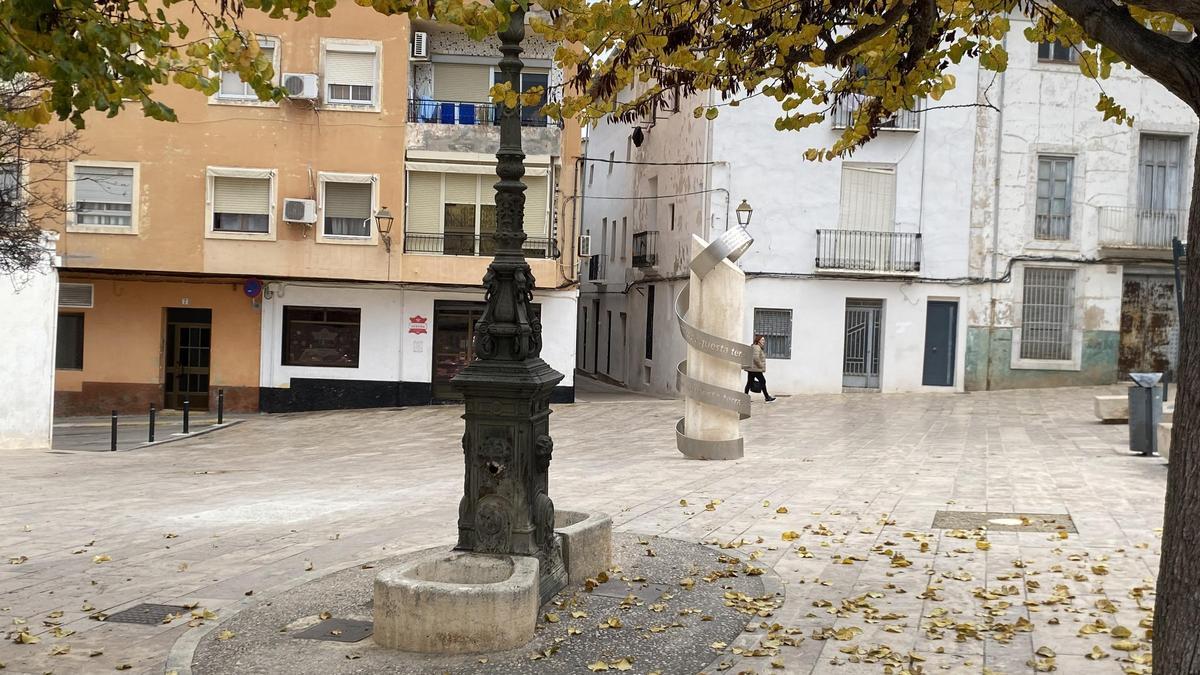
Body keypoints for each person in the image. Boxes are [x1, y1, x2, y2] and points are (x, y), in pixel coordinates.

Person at [744, 335, 776, 402]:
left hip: (752, 369)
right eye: (762, 340)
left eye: (764, 340)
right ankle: (767, 397)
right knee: (763, 381)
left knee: (749, 383)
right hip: (756, 369)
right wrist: (760, 366)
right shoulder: (757, 347)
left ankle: (745, 398)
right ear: (758, 341)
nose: (764, 341)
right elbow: (756, 358)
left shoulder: (754, 346)